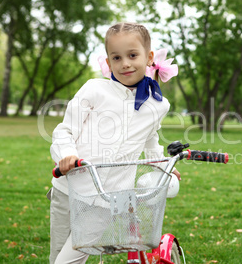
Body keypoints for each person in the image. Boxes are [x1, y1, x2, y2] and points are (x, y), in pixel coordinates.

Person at [48, 22, 180, 264]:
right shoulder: (95, 90)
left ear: (149, 57)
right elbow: (65, 130)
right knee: (57, 254)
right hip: (70, 187)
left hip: (106, 198)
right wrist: (66, 154)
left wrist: (162, 166)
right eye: (117, 58)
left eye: (132, 55)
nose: (125, 63)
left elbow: (151, 139)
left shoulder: (158, 104)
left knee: (68, 260)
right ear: (108, 63)